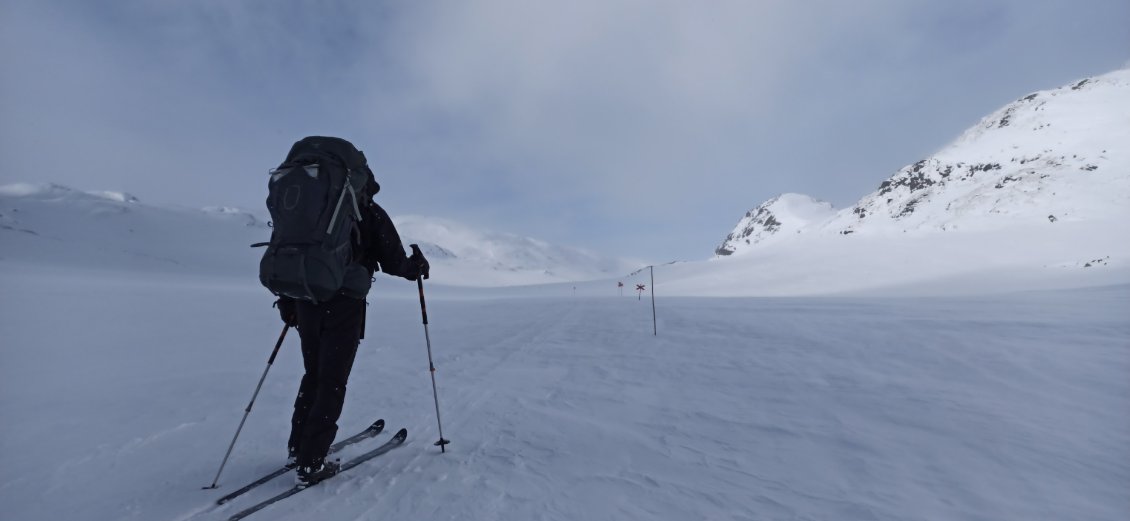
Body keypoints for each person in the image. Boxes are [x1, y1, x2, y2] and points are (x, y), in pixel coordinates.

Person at [274, 163, 429, 488]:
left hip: (306, 299)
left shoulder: (305, 207)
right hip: (344, 302)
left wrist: (289, 301)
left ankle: (298, 447)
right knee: (332, 380)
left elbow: (287, 254)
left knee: (314, 373)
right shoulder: (366, 210)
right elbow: (393, 259)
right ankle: (311, 461)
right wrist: (415, 268)